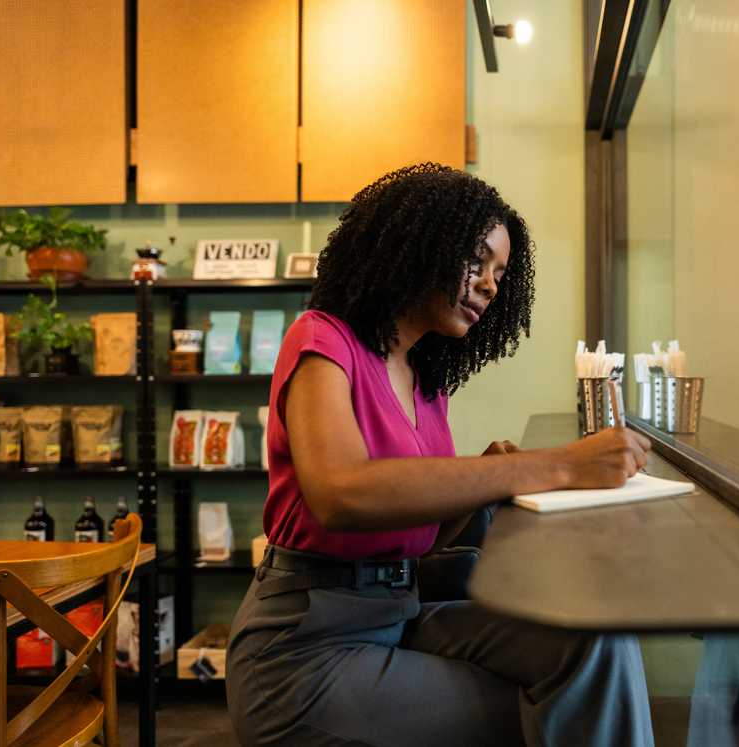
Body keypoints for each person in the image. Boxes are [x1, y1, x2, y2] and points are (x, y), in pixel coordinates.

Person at [226, 163, 656, 746]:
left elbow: (417, 526)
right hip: (306, 646)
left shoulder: (427, 383)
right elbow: (341, 494)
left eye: (501, 274)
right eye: (477, 261)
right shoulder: (321, 339)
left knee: (594, 642)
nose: (490, 285)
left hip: (396, 615)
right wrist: (549, 464)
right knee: (549, 713)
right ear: (419, 244)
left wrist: (490, 480)